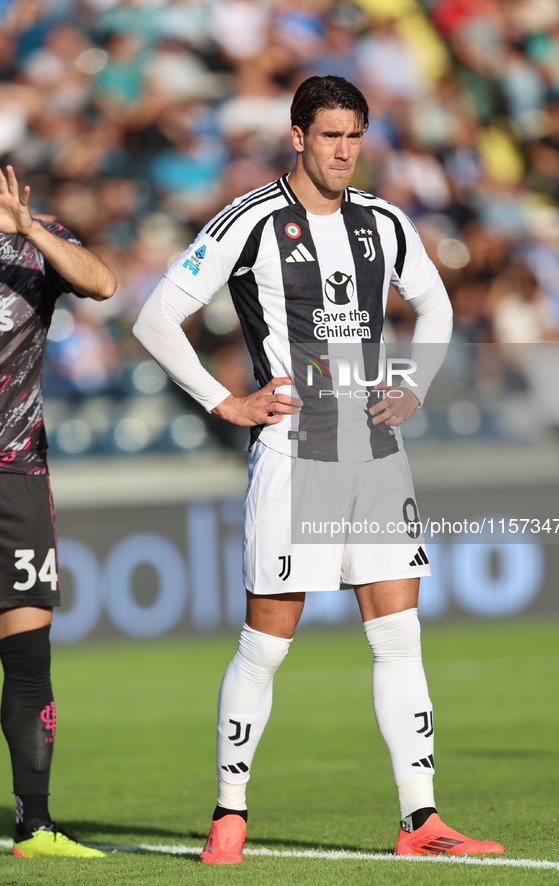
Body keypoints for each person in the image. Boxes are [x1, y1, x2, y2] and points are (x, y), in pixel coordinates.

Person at [134, 75, 504, 863]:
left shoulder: (383, 221)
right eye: (329, 135)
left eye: (354, 135)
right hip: (294, 453)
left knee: (398, 639)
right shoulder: (252, 221)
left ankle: (421, 822)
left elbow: (435, 307)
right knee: (267, 643)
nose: (343, 151)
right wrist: (222, 401)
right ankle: (229, 814)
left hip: (373, 451)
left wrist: (412, 387)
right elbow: (155, 316)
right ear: (297, 136)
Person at [0, 165, 116, 857]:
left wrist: (31, 230)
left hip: (17, 474)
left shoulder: (31, 250)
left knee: (28, 655)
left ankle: (34, 825)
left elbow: (102, 283)